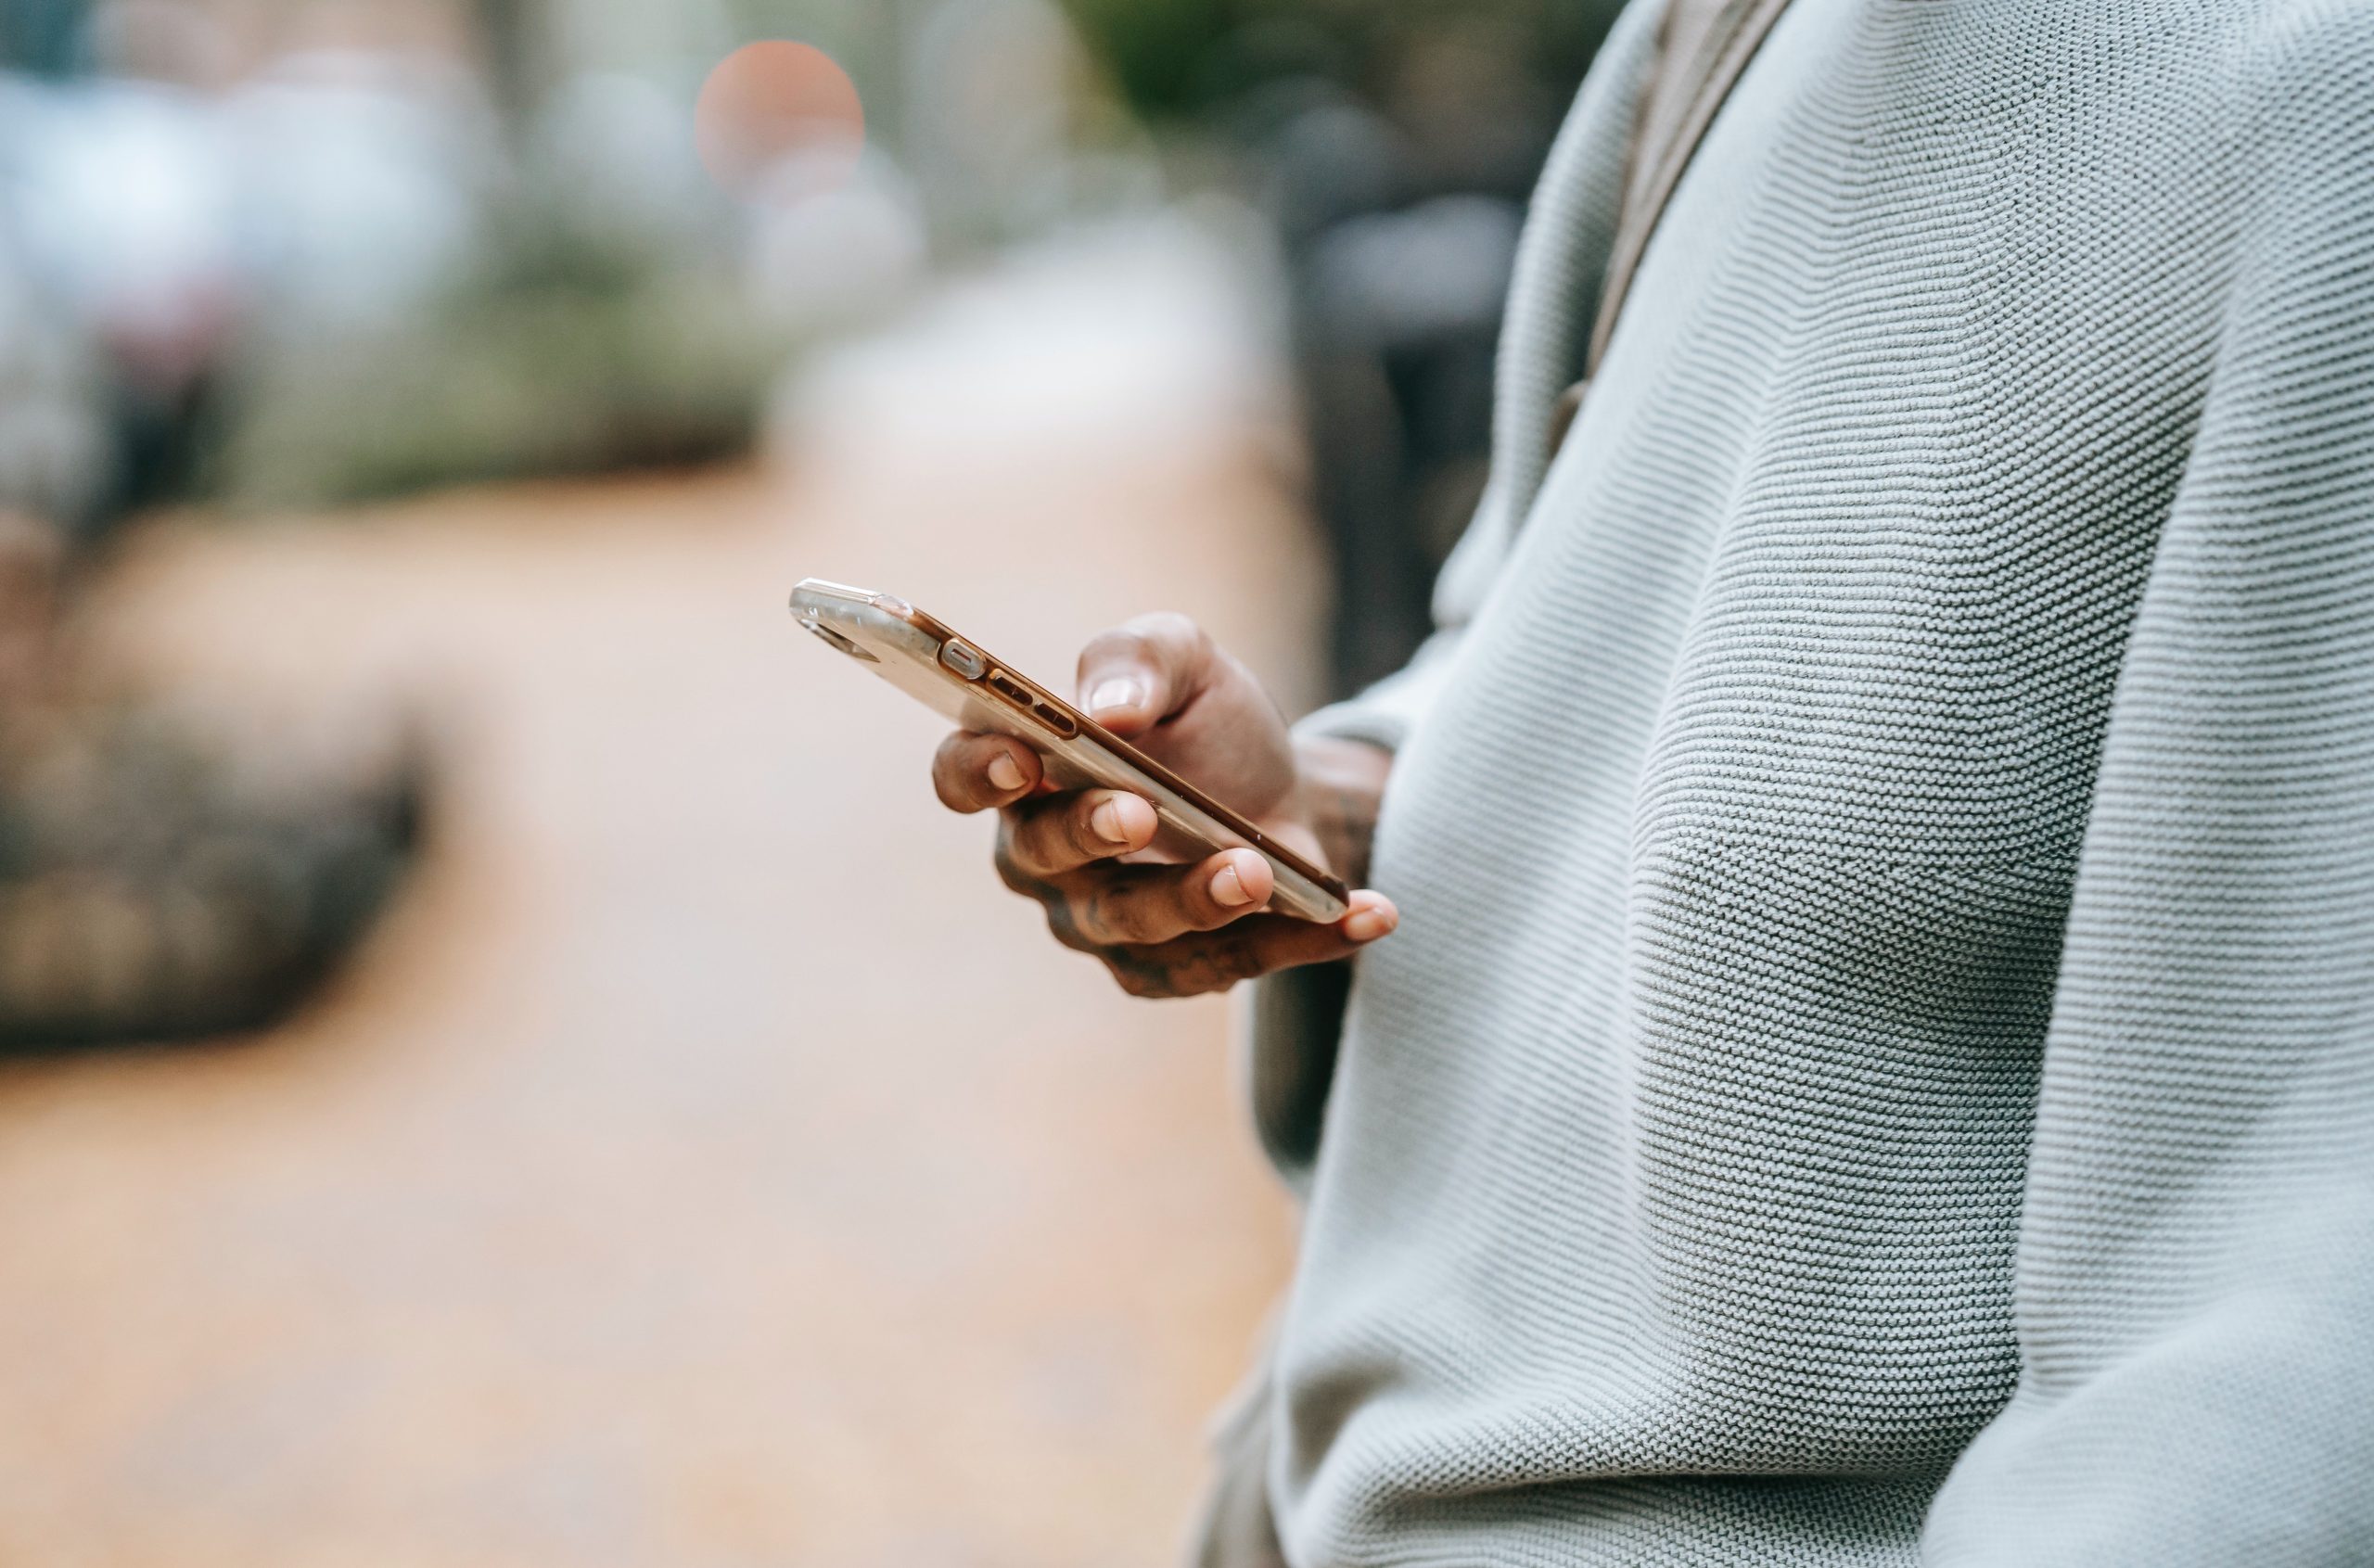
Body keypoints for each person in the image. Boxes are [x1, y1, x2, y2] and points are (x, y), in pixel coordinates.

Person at [933, 0, 2374, 1562]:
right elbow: (1571, 640)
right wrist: (1327, 810)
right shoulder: (1714, 29)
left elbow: (2289, 1301)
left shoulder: (2319, 104)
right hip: (1325, 1494)